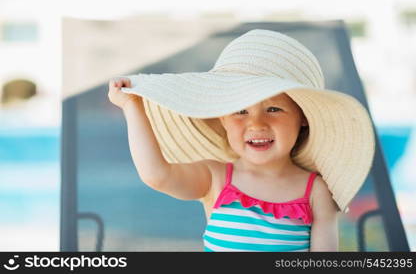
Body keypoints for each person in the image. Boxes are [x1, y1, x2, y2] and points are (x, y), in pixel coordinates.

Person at [108, 29, 375, 252]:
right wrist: (133, 107)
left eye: (274, 109)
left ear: (303, 118)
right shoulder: (216, 177)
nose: (256, 123)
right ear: (222, 119)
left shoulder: (315, 191)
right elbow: (156, 175)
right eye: (240, 111)